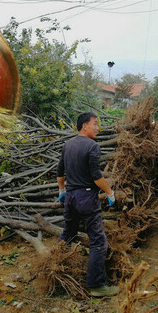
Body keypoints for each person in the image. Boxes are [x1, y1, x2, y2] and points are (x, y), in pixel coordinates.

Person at [57, 112, 119, 297]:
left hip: (71, 198)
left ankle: (55, 265)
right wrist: (110, 192)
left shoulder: (67, 145)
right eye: (95, 124)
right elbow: (96, 176)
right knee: (98, 241)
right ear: (85, 126)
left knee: (68, 233)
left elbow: (60, 173)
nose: (98, 127)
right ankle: (97, 286)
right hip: (86, 198)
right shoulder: (92, 146)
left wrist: (62, 191)